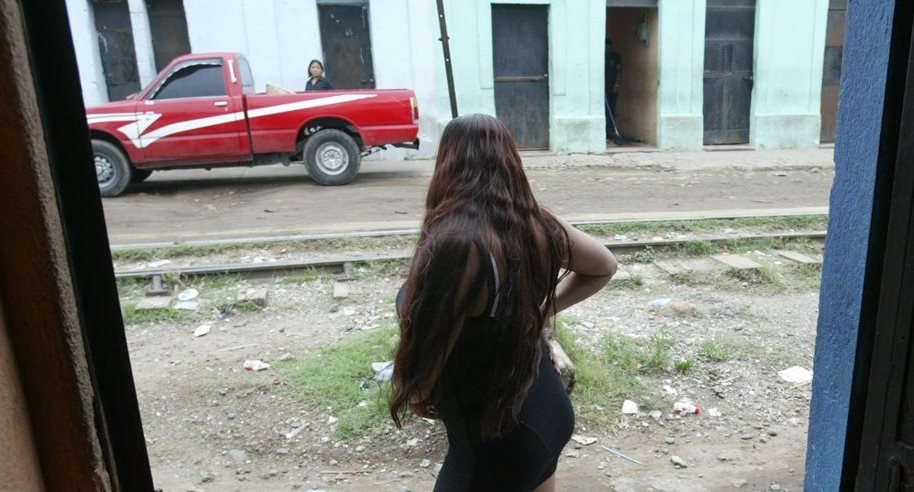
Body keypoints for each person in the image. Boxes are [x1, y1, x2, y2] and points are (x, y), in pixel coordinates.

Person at [390, 114, 617, 492]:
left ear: (446, 164)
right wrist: (539, 312)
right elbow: (603, 265)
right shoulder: (534, 223)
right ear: (510, 160)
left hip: (495, 435)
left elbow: (426, 370)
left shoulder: (457, 244)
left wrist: (415, 393)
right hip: (547, 412)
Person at [605, 39, 623, 137]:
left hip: (612, 87)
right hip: (602, 88)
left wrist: (617, 84)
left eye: (609, 47)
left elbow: (619, 71)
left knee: (611, 109)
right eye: (606, 47)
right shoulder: (601, 56)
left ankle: (611, 131)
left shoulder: (615, 56)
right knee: (603, 110)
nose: (608, 49)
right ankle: (605, 132)